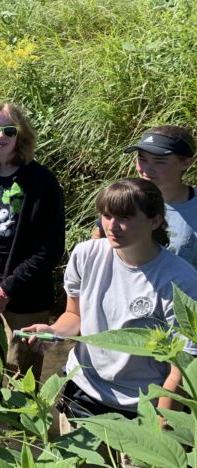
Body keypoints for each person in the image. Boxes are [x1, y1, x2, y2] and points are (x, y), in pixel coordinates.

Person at [22, 178, 197, 425]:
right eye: (106, 215)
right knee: (76, 465)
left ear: (155, 221)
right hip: (82, 392)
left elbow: (183, 366)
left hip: (142, 407)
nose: (112, 226)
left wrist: (161, 426)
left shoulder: (181, 280)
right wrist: (54, 331)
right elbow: (75, 316)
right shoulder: (86, 254)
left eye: (125, 217)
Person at [0, 102, 65, 398]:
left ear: (21, 136)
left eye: (8, 130)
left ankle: (21, 437)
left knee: (23, 374)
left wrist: (7, 289)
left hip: (28, 291)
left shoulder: (43, 181)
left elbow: (50, 247)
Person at [92, 126, 197, 267]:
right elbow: (98, 239)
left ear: (185, 163)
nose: (146, 169)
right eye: (142, 159)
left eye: (159, 161)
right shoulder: (126, 197)